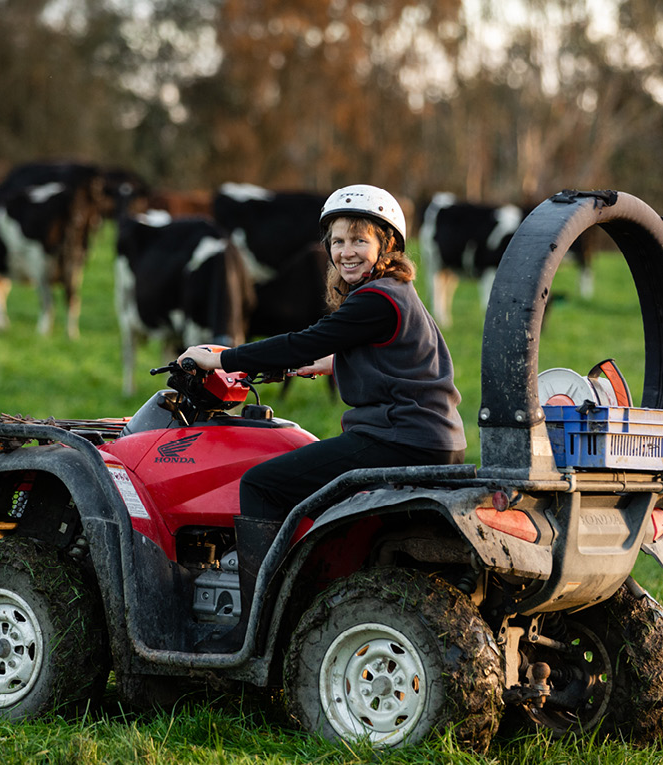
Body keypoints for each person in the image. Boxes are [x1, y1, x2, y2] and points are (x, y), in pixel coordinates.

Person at [176, 183, 466, 651]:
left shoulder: (375, 299)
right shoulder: (395, 293)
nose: (346, 251)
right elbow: (394, 356)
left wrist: (223, 357)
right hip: (429, 436)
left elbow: (304, 340)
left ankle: (254, 630)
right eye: (337, 241)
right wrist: (326, 364)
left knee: (261, 485)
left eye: (359, 240)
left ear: (387, 245)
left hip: (398, 437)